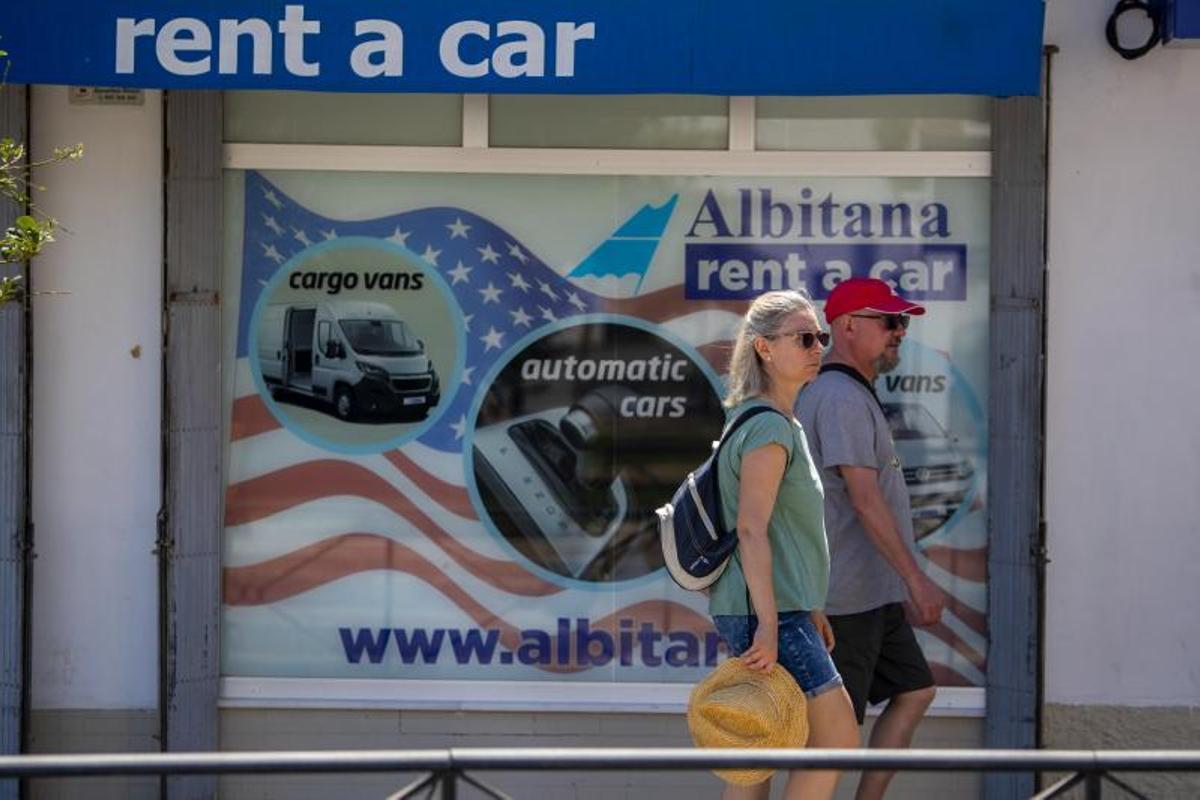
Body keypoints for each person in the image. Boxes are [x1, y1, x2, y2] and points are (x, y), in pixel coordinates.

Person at [794, 278, 946, 800]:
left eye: (902, 322)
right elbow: (862, 498)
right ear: (847, 326)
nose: (899, 331)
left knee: (915, 691)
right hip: (844, 601)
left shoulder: (850, 393)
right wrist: (917, 580)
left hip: (870, 595)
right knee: (832, 739)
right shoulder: (839, 397)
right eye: (888, 321)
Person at [709, 290, 859, 800]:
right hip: (772, 615)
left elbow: (783, 534)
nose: (817, 346)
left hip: (782, 610)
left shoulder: (771, 420)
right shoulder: (769, 426)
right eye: (803, 338)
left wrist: (810, 604)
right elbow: (751, 529)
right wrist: (772, 627)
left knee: (761, 752)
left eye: (821, 336)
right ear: (764, 349)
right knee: (837, 742)